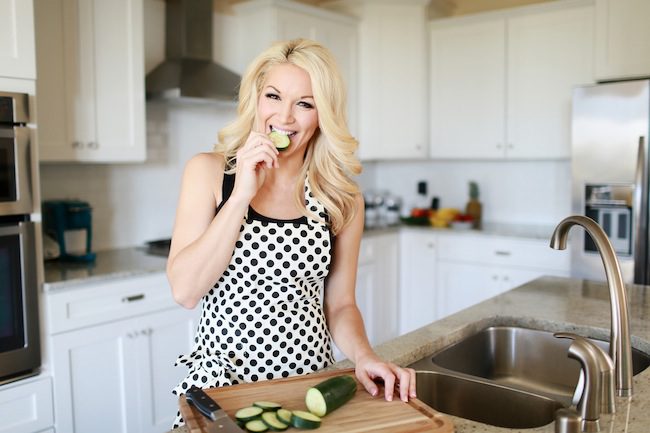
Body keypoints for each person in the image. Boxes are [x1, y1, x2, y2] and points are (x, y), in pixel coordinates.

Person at [166, 38, 415, 427]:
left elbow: (341, 304)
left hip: (309, 387)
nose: (284, 117)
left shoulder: (341, 198)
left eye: (305, 103)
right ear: (256, 99)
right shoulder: (210, 173)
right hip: (225, 390)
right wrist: (241, 197)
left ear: (322, 115)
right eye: (273, 96)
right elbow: (185, 291)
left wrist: (365, 356)